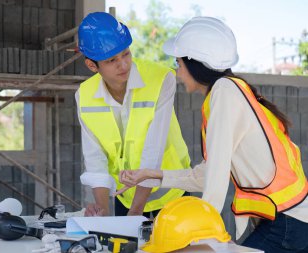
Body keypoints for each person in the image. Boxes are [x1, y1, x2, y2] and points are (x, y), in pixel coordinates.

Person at [117, 16, 308, 253]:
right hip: (290, 219)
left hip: (288, 222)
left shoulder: (224, 92)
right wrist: (151, 175)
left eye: (178, 63)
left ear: (194, 63)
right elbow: (207, 175)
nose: (177, 73)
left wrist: (202, 234)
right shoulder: (229, 91)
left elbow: (215, 182)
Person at [75, 12, 191, 218]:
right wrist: (102, 210)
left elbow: (152, 151)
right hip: (126, 198)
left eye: (126, 53)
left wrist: (135, 213)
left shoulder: (161, 79)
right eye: (112, 60)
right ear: (92, 66)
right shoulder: (84, 95)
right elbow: (95, 158)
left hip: (173, 196)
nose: (124, 64)